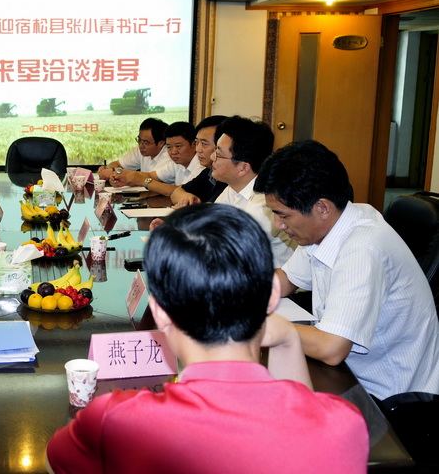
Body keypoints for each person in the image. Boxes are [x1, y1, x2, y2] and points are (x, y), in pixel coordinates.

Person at [46, 204, 368, 473]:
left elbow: (53, 462)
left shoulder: (114, 420)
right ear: (272, 296)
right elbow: (303, 421)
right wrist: (288, 341)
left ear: (160, 313)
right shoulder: (345, 426)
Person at [254, 140, 439, 400]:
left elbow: (331, 347)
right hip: (348, 372)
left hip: (384, 395)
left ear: (322, 207)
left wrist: (251, 326)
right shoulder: (332, 223)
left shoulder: (363, 247)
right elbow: (284, 281)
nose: (278, 225)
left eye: (283, 215)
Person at [210, 116, 296, 267]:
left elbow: (226, 251)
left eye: (218, 153)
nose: (212, 157)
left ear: (243, 168)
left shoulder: (265, 202)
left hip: (272, 280)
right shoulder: (234, 187)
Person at [110, 122, 204, 196]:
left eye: (178, 146)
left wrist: (142, 181)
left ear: (194, 145)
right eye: (169, 147)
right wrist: (126, 178)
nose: (173, 152)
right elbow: (152, 175)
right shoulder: (176, 163)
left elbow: (179, 191)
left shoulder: (201, 166)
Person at [168, 114, 228, 207]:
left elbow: (210, 210)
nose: (197, 149)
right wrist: (186, 197)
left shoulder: (228, 177)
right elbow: (175, 193)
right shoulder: (208, 172)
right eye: (197, 142)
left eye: (204, 143)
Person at [97, 118, 171, 182]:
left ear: (161, 143)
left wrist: (115, 172)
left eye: (146, 142)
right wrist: (110, 170)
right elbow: (118, 164)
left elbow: (150, 177)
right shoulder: (141, 150)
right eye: (139, 140)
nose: (141, 145)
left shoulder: (169, 156)